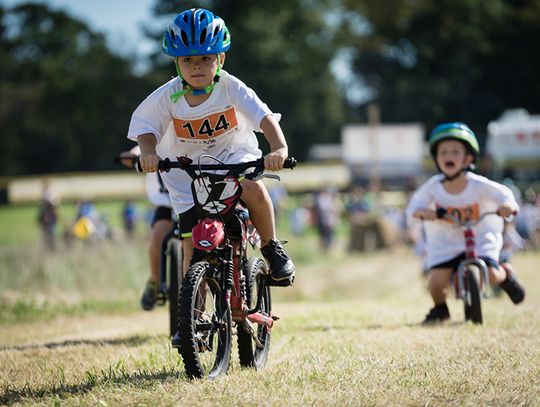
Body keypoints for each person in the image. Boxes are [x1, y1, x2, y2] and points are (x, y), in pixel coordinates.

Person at [127, 9, 295, 290]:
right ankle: (192, 319)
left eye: (205, 58)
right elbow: (145, 127)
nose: (197, 66)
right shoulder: (167, 95)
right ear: (177, 62)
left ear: (221, 59)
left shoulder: (230, 87)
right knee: (191, 248)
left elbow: (263, 117)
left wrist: (278, 148)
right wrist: (148, 152)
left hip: (232, 157)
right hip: (186, 171)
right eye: (188, 60)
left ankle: (270, 246)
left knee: (253, 189)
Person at [406, 122, 525, 324]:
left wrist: (507, 205)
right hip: (446, 242)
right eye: (443, 152)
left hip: (479, 238)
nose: (448, 156)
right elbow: (415, 205)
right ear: (436, 158)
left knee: (491, 275)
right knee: (436, 283)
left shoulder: (478, 185)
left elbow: (503, 194)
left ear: (468, 158)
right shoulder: (433, 187)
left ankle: (505, 274)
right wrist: (422, 212)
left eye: (455, 151)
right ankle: (440, 309)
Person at [119, 146, 175, 311]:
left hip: (193, 200)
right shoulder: (157, 135)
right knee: (158, 236)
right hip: (167, 203)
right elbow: (141, 148)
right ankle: (155, 280)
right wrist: (134, 155)